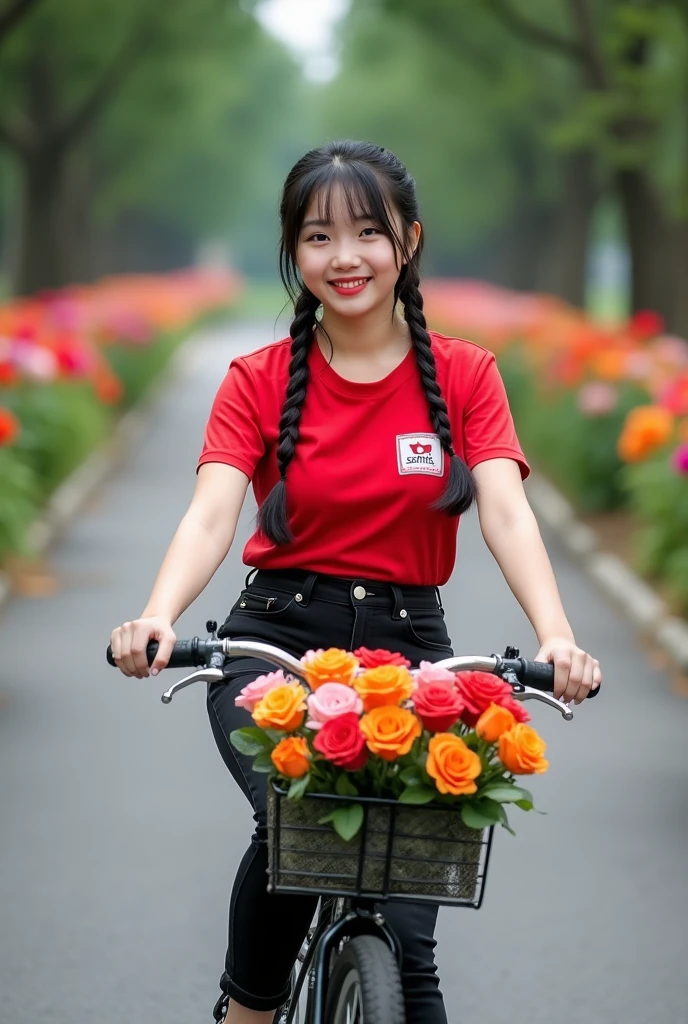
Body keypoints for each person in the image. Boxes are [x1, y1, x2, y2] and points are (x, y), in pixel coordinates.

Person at [110, 140, 602, 1024]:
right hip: (274, 646)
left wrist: (556, 634)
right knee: (300, 822)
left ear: (409, 241)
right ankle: (251, 1010)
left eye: (368, 233)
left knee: (412, 952)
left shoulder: (464, 375)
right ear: (293, 255)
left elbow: (507, 514)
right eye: (318, 237)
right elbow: (211, 515)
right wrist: (156, 614)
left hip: (413, 652)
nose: (345, 257)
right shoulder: (256, 382)